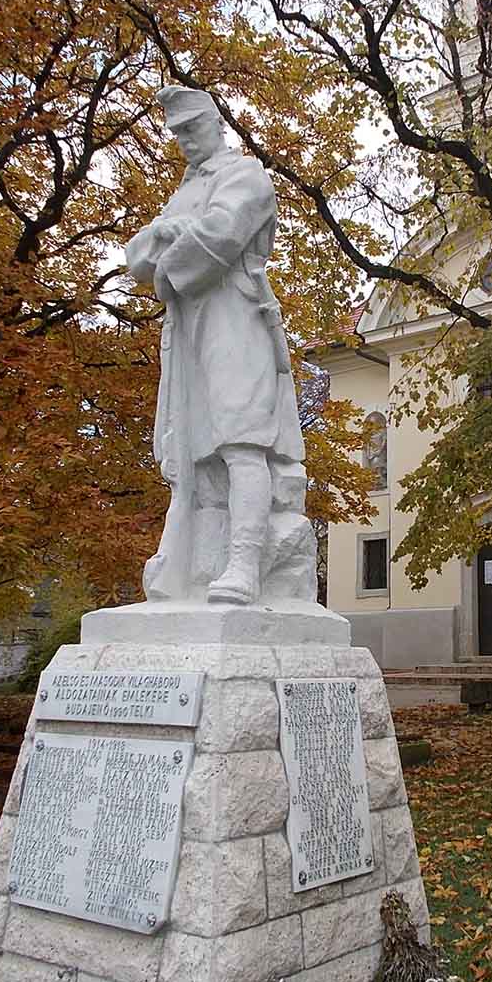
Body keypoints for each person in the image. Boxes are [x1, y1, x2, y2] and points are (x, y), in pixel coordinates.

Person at [125, 85, 306, 605]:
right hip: (187, 331)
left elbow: (222, 236)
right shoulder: (183, 191)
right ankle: (185, 564)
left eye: (192, 128)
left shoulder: (246, 174)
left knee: (241, 440)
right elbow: (138, 256)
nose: (184, 140)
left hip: (236, 316)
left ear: (215, 122)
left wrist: (169, 244)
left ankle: (245, 565)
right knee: (190, 451)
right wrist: (167, 235)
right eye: (176, 133)